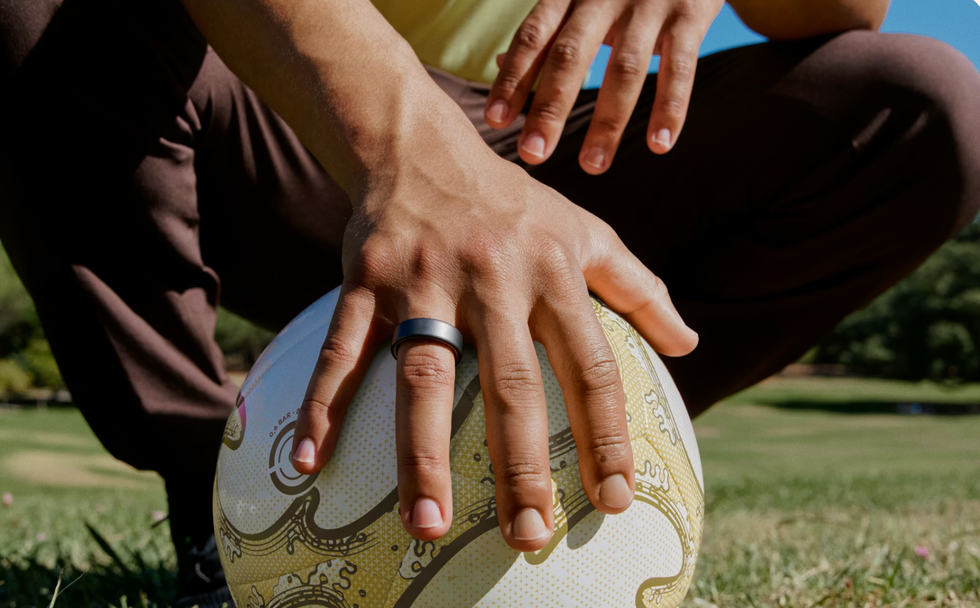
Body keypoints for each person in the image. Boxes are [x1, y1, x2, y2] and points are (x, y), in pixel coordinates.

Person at [2, 0, 978, 604]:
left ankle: (584, 450)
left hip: (536, 130)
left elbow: (851, 8)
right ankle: (229, 498)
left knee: (918, 102)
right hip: (282, 98)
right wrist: (407, 151)